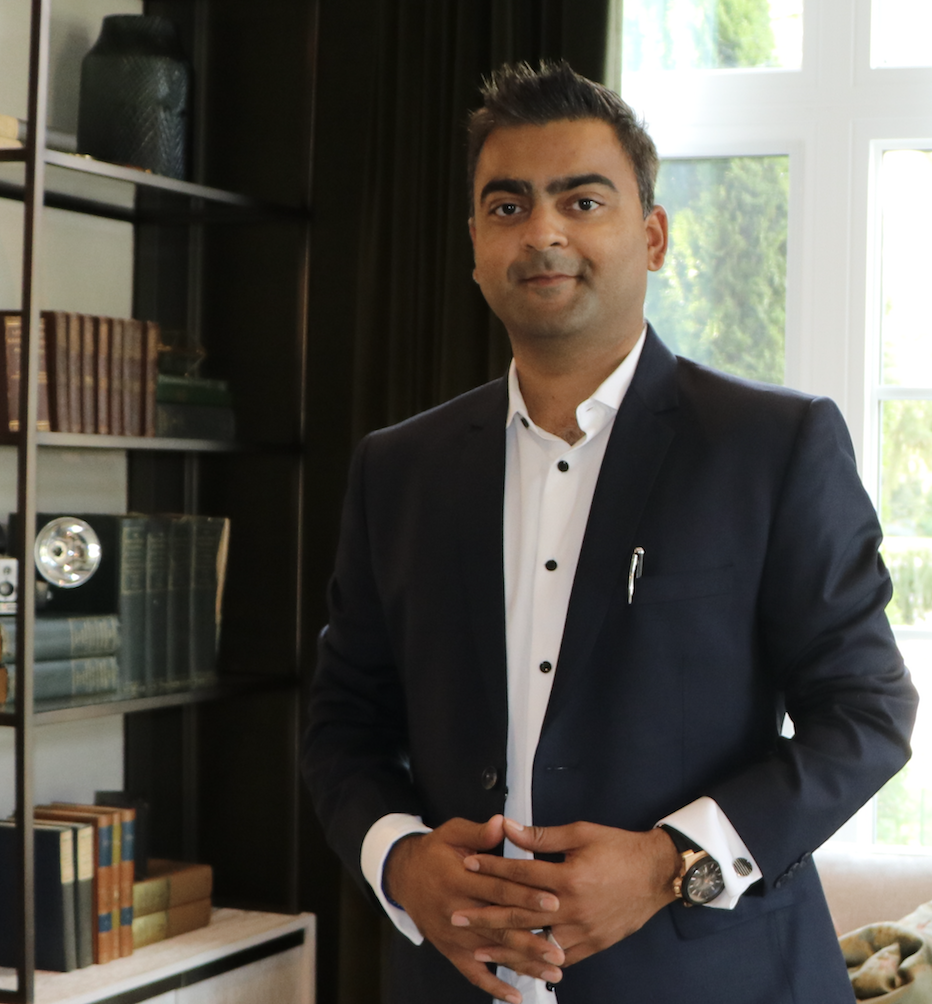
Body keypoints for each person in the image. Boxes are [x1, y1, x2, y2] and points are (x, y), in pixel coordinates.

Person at [302, 60, 918, 1003]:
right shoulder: (398, 468)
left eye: (582, 201)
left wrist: (672, 864)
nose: (543, 231)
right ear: (475, 246)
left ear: (653, 235)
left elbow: (866, 714)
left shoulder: (773, 446)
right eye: (507, 206)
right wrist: (400, 861)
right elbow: (343, 722)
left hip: (718, 980)